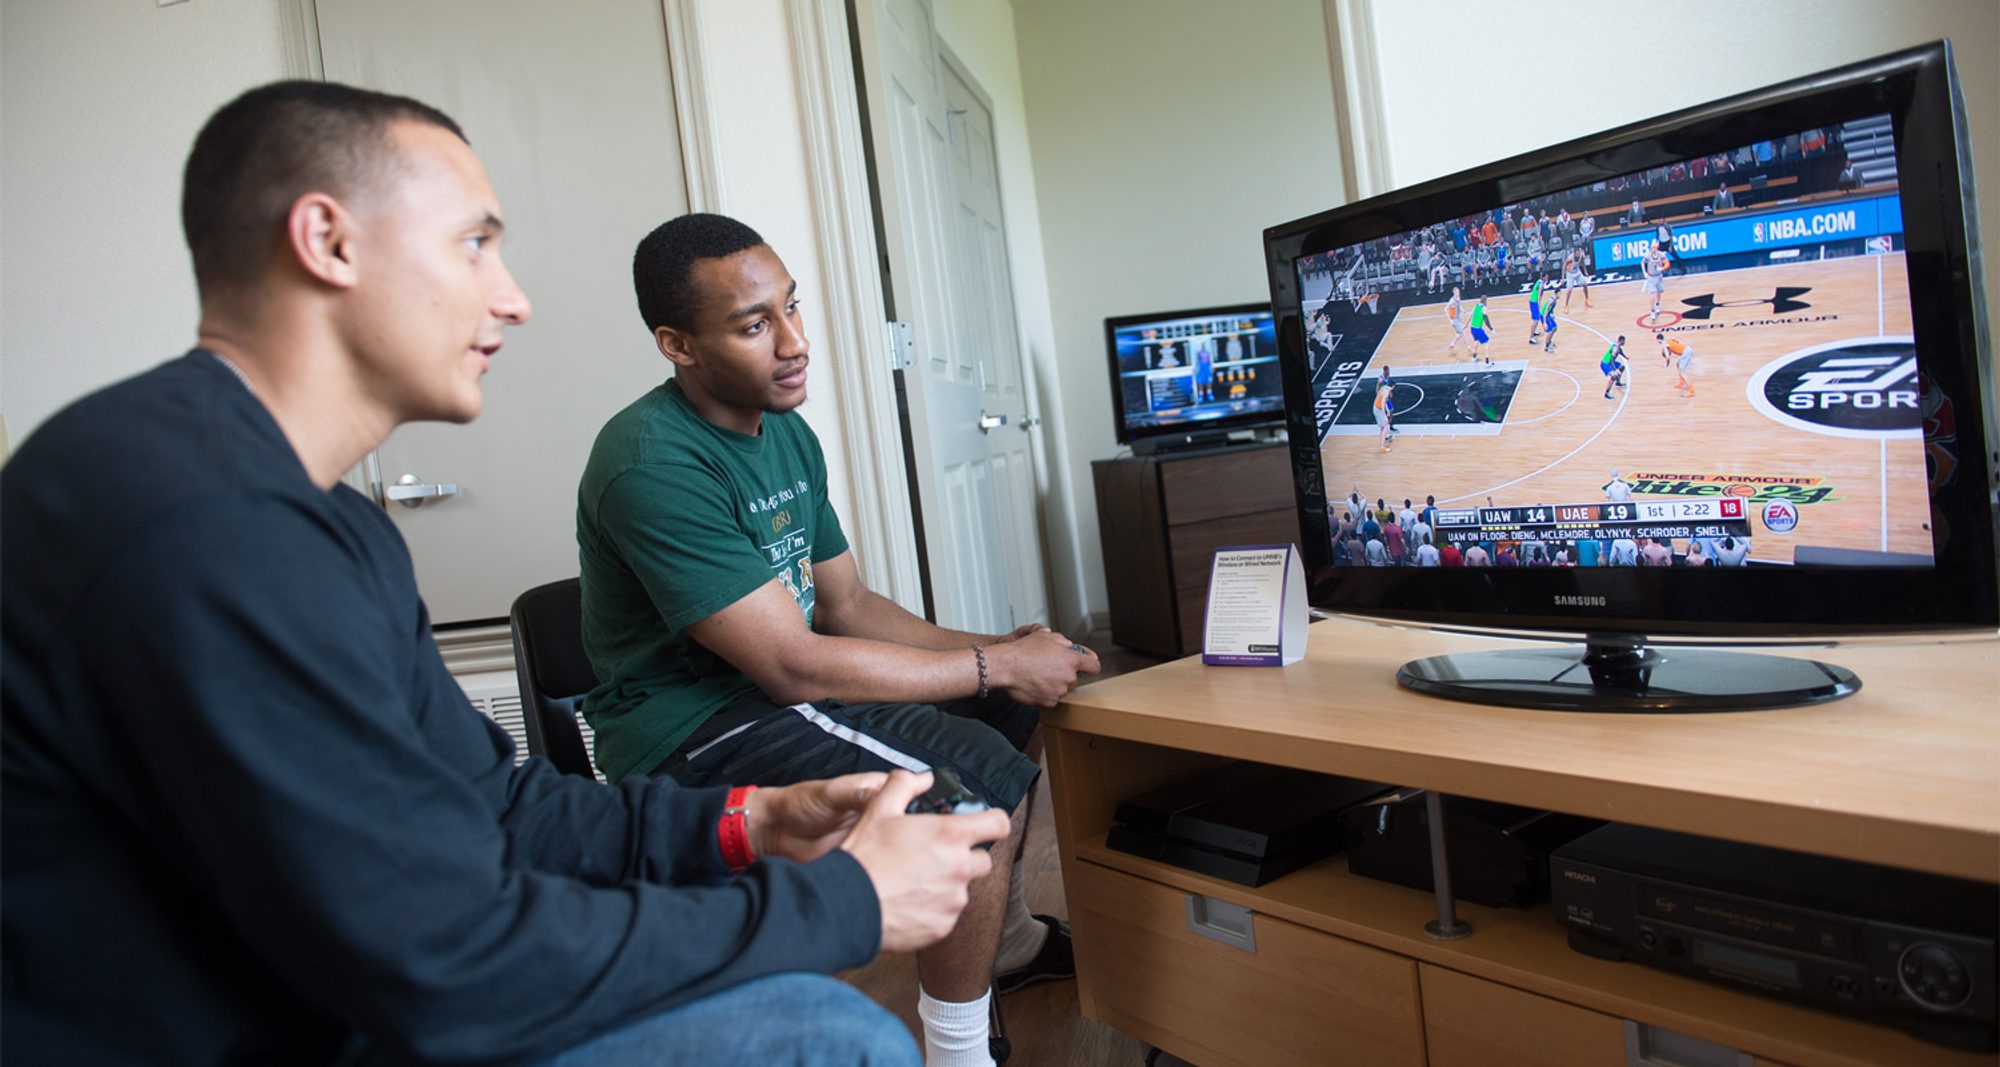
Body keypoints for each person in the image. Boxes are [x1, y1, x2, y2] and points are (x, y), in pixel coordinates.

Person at [0, 82, 995, 1066]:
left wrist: (745, 820)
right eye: (474, 243)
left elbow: (495, 805)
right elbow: (444, 962)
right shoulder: (205, 521)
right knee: (828, 1036)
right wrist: (845, 899)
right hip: (263, 1027)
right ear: (328, 240)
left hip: (336, 986)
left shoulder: (320, 518)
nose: (511, 297)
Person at [576, 213, 1094, 1065]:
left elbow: (846, 605)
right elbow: (791, 664)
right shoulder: (649, 462)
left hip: (774, 685)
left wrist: (1003, 649)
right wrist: (997, 661)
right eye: (754, 325)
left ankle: (1007, 943)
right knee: (960, 804)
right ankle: (957, 1052)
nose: (794, 342)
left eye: (791, 307)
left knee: (1000, 706)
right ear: (677, 344)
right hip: (693, 727)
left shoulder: (783, 428)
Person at [1642, 244, 1670, 323]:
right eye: (1652, 248)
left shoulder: (1661, 255)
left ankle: (1657, 305)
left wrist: (1662, 268)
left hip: (1659, 276)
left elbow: (1667, 263)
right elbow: (1642, 262)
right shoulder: (1648, 255)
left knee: (1659, 291)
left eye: (1654, 248)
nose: (1653, 249)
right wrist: (1644, 272)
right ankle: (1652, 311)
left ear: (1657, 248)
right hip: (1651, 277)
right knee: (1652, 294)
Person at [1374, 368, 1396, 451]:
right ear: (1393, 386)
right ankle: (1382, 447)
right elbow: (1383, 404)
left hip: (1376, 407)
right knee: (1386, 426)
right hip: (1379, 409)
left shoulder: (1385, 388)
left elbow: (1379, 397)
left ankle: (1385, 439)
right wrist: (1384, 416)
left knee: (1383, 427)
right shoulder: (1385, 390)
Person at [1468, 296, 1494, 364]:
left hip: (1472, 328)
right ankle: (1487, 361)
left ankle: (1474, 357)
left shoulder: (1476, 306)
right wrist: (1491, 329)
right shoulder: (1484, 308)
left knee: (1476, 341)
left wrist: (1466, 325)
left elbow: (1470, 315)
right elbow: (1486, 321)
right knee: (1488, 341)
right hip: (1478, 329)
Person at [1445, 286, 1467, 354]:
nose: (1458, 293)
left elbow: (1459, 305)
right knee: (1463, 332)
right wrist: (1450, 320)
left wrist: (1462, 310)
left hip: (1458, 318)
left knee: (1459, 333)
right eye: (1457, 292)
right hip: (1454, 319)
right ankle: (1468, 347)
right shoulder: (1452, 300)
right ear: (1454, 293)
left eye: (1459, 291)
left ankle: (1452, 344)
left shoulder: (1458, 298)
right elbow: (1445, 309)